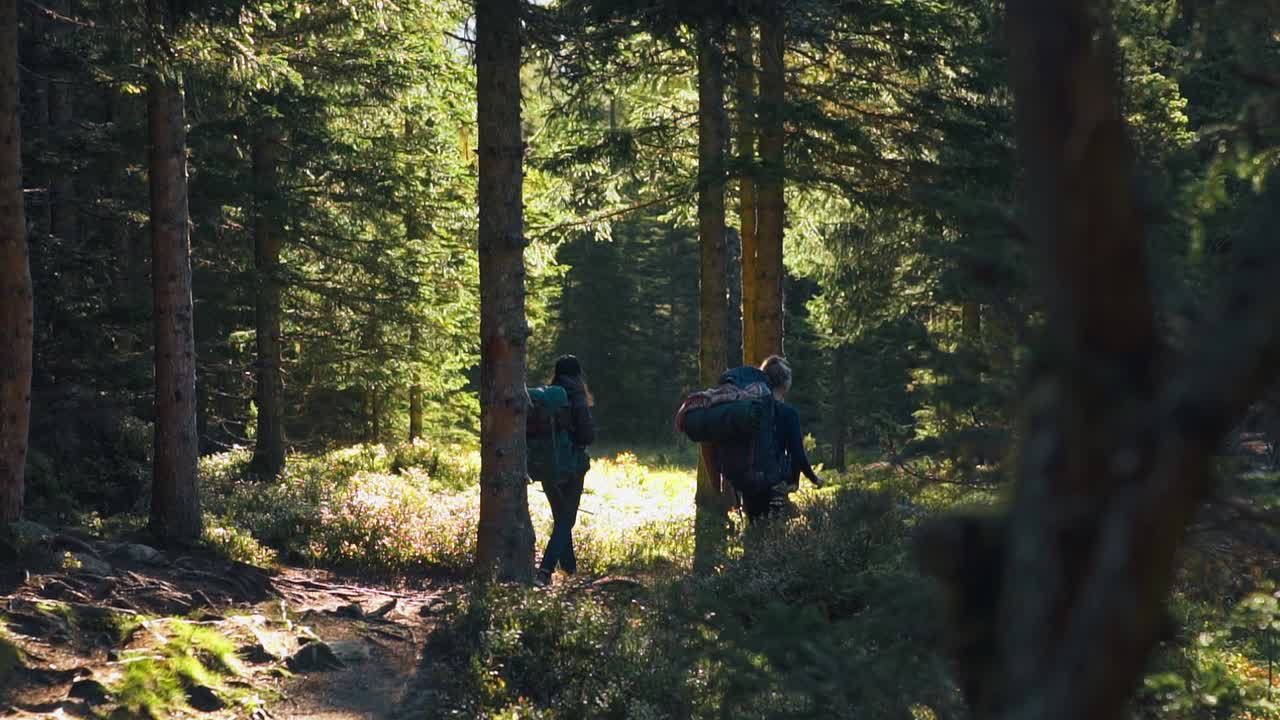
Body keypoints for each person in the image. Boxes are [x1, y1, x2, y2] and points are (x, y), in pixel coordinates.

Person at [535, 354, 596, 587]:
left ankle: (570, 570)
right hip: (571, 466)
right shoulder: (577, 396)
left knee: (561, 517)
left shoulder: (548, 397)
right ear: (578, 374)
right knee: (566, 520)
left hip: (546, 466)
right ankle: (545, 570)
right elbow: (587, 434)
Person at [745, 355, 824, 520]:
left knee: (754, 531)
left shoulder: (750, 410)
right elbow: (797, 453)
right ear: (785, 382)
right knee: (775, 531)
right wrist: (814, 478)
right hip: (775, 483)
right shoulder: (789, 414)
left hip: (749, 482)